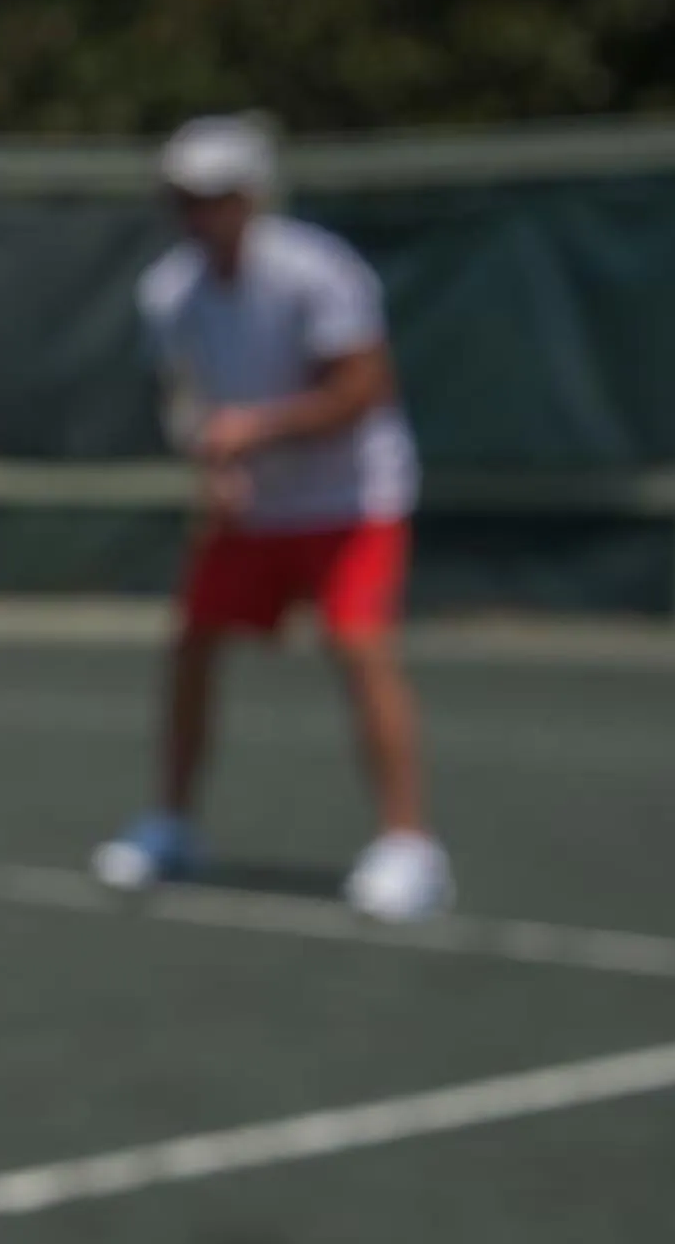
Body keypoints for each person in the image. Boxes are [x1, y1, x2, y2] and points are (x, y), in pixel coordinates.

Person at [90, 116, 454, 922]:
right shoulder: (168, 292)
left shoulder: (318, 273)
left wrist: (255, 431)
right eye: (183, 199)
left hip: (353, 498)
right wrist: (213, 463)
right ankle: (173, 824)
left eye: (212, 197)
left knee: (357, 646)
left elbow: (364, 391)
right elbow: (184, 400)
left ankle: (409, 846)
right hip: (257, 509)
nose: (196, 215)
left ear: (249, 198)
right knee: (190, 646)